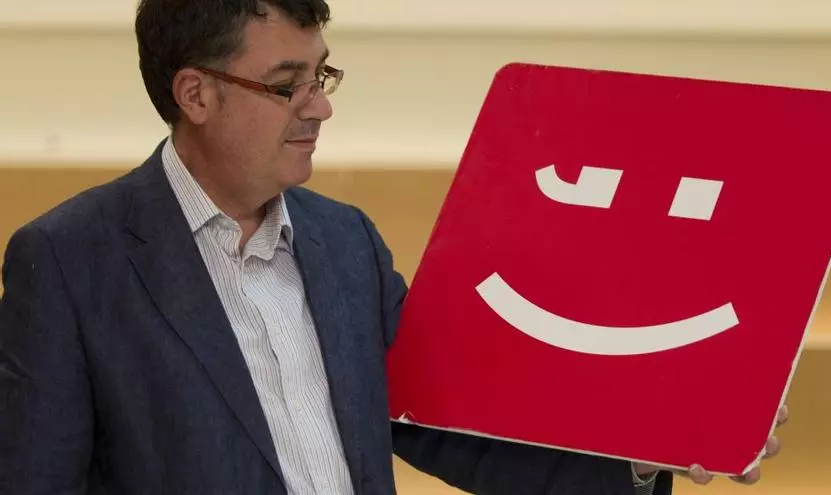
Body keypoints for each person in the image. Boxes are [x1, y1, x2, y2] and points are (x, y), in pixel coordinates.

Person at [0, 1, 787, 493]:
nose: (319, 108)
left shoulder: (346, 243)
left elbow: (452, 432)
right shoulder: (67, 263)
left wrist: (642, 457)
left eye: (322, 77)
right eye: (287, 84)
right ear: (195, 93)